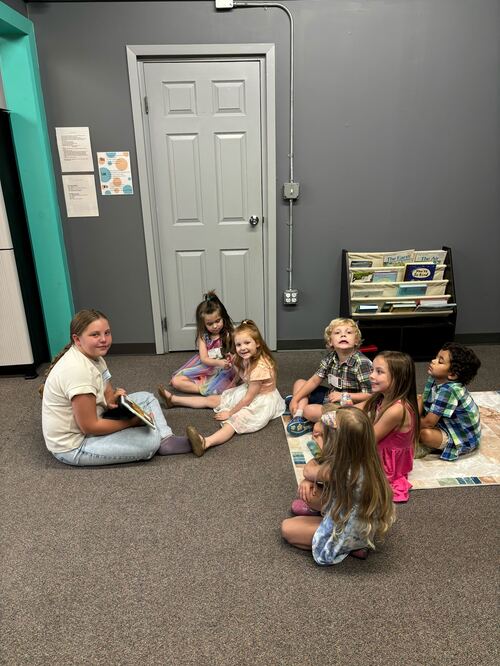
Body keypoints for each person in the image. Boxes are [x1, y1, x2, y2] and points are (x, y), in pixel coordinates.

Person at [40, 309, 190, 466]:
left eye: (107, 333)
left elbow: (108, 393)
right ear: (77, 339)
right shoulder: (78, 371)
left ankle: (166, 439)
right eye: (95, 335)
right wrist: (130, 423)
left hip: (95, 417)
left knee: (146, 397)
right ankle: (157, 438)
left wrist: (114, 397)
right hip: (75, 446)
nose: (104, 339)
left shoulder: (95, 356)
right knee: (150, 442)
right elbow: (89, 426)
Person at [281, 408, 395, 564]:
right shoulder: (364, 458)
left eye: (326, 435)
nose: (320, 436)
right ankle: (352, 540)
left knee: (287, 528)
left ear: (338, 443)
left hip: (349, 528)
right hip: (353, 514)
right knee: (310, 494)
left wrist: (309, 475)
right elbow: (316, 468)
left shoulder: (343, 471)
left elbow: (309, 470)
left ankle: (352, 547)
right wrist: (309, 479)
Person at [159, 320, 285, 456]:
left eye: (247, 343)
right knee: (212, 399)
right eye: (238, 345)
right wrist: (234, 364)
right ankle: (173, 400)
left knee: (234, 422)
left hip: (261, 400)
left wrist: (230, 412)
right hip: (249, 390)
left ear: (258, 343)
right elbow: (246, 378)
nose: (242, 348)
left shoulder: (260, 367)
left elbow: (248, 398)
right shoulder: (248, 357)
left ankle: (205, 442)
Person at [286, 318, 372, 437]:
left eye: (348, 332)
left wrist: (343, 395)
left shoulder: (362, 363)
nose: (343, 335)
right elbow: (315, 380)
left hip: (348, 406)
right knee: (299, 383)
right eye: (337, 333)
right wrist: (296, 399)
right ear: (330, 342)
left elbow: (371, 395)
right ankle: (298, 417)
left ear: (356, 341)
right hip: (330, 397)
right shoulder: (331, 358)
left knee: (309, 410)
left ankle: (306, 416)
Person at [360, 351, 419, 503]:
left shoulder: (397, 410)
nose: (371, 376)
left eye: (379, 372)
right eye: (372, 370)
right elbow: (358, 408)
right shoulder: (381, 396)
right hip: (376, 451)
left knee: (321, 471)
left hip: (385, 465)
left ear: (398, 378)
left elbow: (368, 440)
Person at [163, 291, 236, 396]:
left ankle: (215, 387)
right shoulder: (203, 337)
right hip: (205, 368)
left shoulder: (229, 334)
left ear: (223, 318)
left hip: (223, 371)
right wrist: (218, 362)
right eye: (210, 324)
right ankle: (207, 389)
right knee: (176, 381)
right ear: (203, 324)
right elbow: (204, 359)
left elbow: (235, 355)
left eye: (218, 321)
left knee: (233, 383)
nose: (215, 326)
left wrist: (228, 362)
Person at [418, 342, 481, 460]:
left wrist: (407, 423)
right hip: (446, 422)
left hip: (461, 437)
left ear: (452, 374)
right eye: (436, 357)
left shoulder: (449, 390)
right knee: (418, 400)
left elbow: (428, 423)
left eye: (440, 361)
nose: (433, 361)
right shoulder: (435, 377)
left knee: (425, 434)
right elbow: (424, 398)